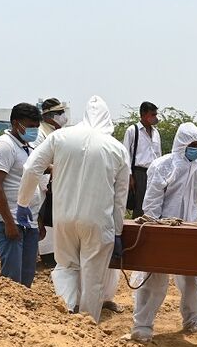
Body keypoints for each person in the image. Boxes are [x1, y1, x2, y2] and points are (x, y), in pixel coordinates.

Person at [18, 95, 130, 323]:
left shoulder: (60, 137)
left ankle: (66, 317)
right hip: (97, 223)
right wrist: (118, 232)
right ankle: (87, 326)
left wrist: (22, 203)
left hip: (64, 219)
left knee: (66, 266)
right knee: (93, 276)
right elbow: (120, 199)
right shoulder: (117, 149)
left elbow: (31, 168)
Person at [126, 123, 197, 343]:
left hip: (189, 230)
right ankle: (142, 325)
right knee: (154, 278)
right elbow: (153, 199)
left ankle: (194, 319)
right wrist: (155, 227)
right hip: (164, 230)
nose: (196, 149)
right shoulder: (163, 165)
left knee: (191, 277)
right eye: (192, 145)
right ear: (182, 144)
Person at [0, 103, 42, 286]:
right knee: (12, 280)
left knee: (26, 277)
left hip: (28, 221)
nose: (33, 130)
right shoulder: (4, 146)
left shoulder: (28, 147)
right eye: (30, 126)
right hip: (9, 220)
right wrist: (9, 223)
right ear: (16, 123)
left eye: (36, 126)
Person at [36, 98, 70, 269]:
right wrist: (55, 169)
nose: (63, 117)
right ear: (50, 116)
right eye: (60, 113)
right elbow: (37, 162)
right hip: (43, 183)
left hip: (55, 181)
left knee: (54, 219)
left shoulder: (56, 133)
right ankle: (47, 256)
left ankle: (55, 254)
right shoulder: (40, 134)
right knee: (44, 217)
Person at [123, 101, 162, 218]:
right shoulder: (132, 130)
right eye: (153, 115)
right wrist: (129, 176)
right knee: (140, 205)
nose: (155, 118)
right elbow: (125, 155)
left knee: (154, 204)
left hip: (154, 172)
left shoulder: (156, 133)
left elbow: (158, 154)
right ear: (144, 115)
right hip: (139, 172)